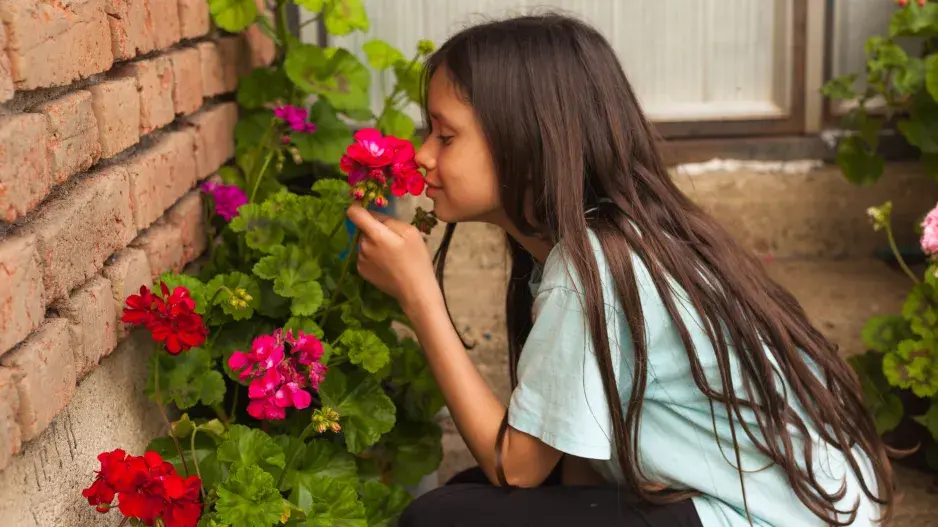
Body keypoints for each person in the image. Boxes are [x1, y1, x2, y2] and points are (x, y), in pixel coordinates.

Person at [345, 13, 893, 527]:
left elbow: (516, 466)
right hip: (809, 502)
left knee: (443, 517)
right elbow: (580, 454)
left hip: (763, 516)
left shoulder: (592, 273)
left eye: (446, 135)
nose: (421, 154)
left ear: (527, 141)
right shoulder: (614, 238)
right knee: (475, 498)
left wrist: (418, 294)